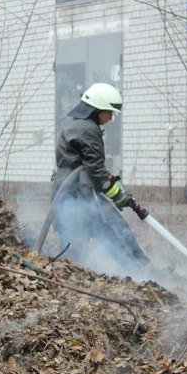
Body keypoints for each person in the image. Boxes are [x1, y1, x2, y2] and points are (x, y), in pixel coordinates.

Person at [51, 82, 151, 271]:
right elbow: (97, 172)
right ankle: (144, 272)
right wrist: (119, 195)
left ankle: (68, 281)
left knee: (73, 246)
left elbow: (90, 167)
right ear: (96, 109)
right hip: (81, 195)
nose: (111, 118)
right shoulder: (88, 129)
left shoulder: (76, 125)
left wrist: (116, 189)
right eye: (109, 112)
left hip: (67, 195)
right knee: (116, 229)